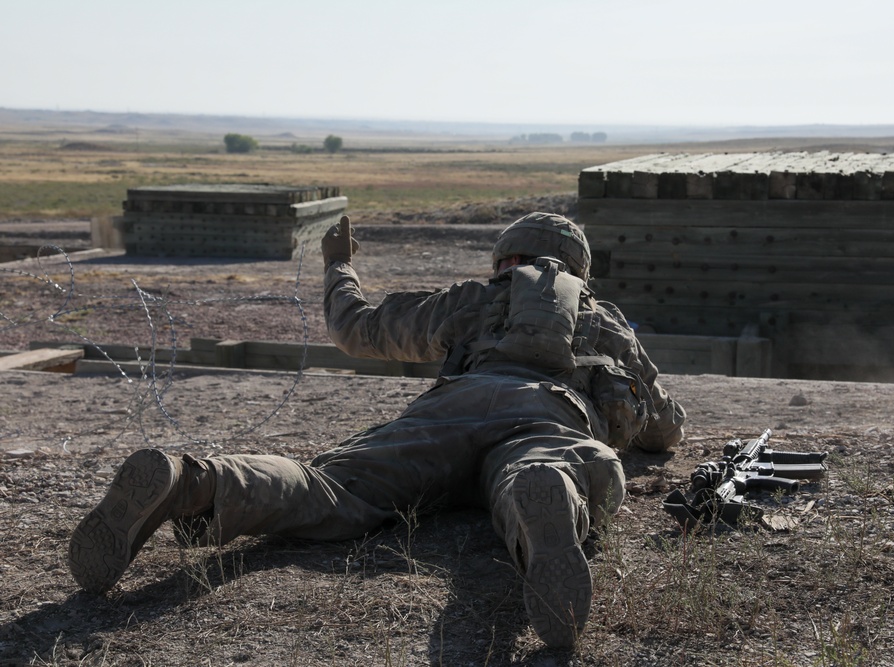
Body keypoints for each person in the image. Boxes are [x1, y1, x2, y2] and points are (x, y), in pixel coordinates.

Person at [67, 212, 686, 648]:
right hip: (549, 420)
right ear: (581, 270)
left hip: (449, 409)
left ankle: (192, 480)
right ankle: (545, 491)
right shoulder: (608, 323)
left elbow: (356, 328)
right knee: (561, 474)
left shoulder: (475, 299)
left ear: (506, 258)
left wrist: (338, 265)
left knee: (330, 490)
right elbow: (660, 429)